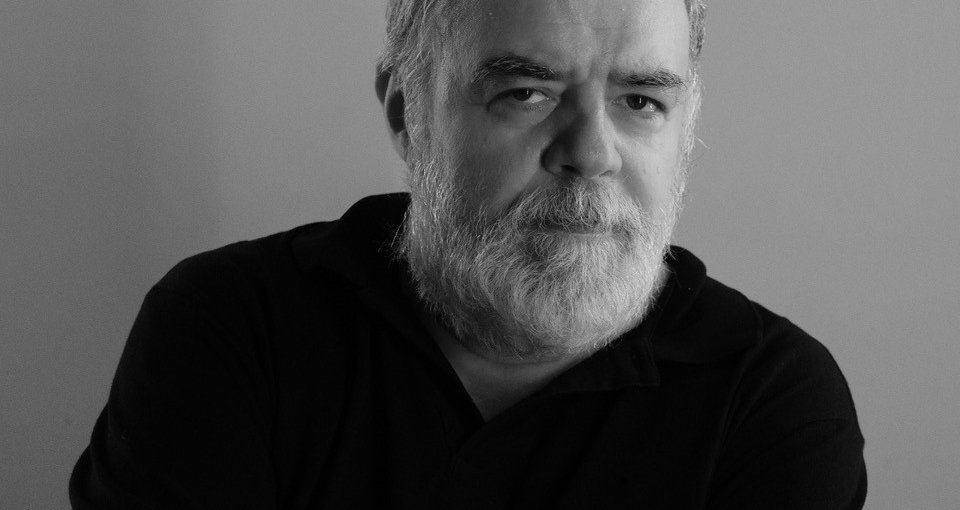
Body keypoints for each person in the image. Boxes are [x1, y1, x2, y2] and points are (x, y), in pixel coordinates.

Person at [70, 0, 867, 508]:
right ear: (407, 115)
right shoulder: (230, 329)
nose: (591, 153)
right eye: (526, 93)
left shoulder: (773, 402)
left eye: (641, 101)